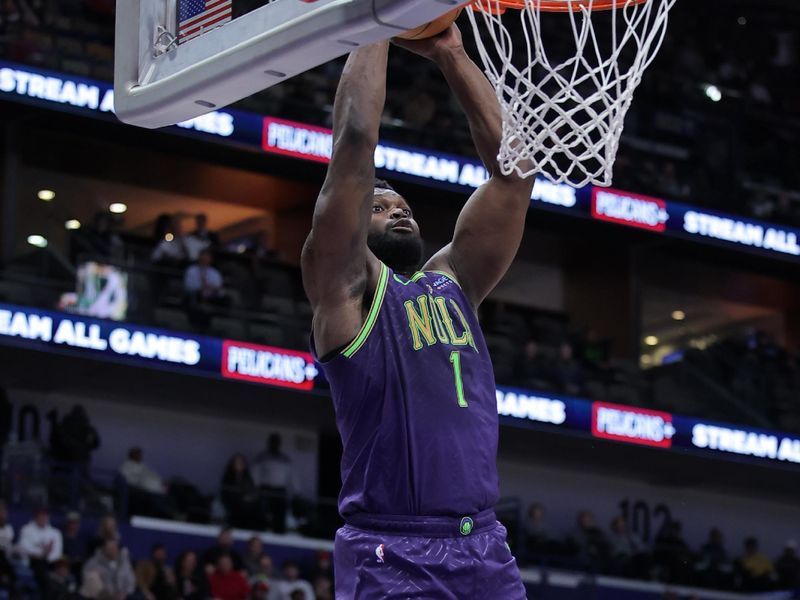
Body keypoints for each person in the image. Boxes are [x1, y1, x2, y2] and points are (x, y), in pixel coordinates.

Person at [300, 26, 534, 599]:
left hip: (483, 544)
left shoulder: (454, 283)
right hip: (391, 551)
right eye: (379, 208)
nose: (398, 212)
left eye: (403, 206)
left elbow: (516, 171)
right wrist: (375, 22)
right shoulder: (346, 291)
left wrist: (450, 51)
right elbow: (355, 143)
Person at [251, 434, 291, 534]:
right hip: (265, 489)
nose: (274, 444)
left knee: (280, 512)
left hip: (279, 490)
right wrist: (256, 487)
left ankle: (279, 532)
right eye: (272, 442)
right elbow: (255, 473)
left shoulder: (284, 459)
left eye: (276, 442)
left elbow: (291, 475)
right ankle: (260, 531)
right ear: (269, 443)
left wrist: (297, 492)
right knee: (262, 511)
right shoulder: (262, 457)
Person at [119, 447, 173, 519]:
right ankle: (168, 515)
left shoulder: (143, 466)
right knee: (156, 501)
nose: (139, 456)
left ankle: (173, 514)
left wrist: (162, 482)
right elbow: (129, 480)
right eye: (137, 454)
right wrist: (141, 482)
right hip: (142, 490)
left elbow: (153, 475)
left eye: (140, 454)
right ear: (131, 454)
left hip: (156, 489)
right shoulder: (126, 466)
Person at [19, 508, 63, 593]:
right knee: (42, 570)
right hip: (33, 562)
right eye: (41, 515)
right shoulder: (27, 530)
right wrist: (42, 552)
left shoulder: (55, 533)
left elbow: (57, 552)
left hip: (51, 563)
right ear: (35, 517)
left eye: (45, 515)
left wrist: (46, 554)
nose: (43, 518)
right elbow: (24, 548)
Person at [220, 455, 264, 531]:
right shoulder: (228, 477)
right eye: (237, 464)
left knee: (255, 507)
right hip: (232, 502)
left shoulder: (247, 477)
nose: (239, 466)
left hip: (245, 504)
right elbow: (225, 492)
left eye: (241, 464)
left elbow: (251, 490)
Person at [62, 512, 90, 580]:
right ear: (67, 524)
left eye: (76, 523)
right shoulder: (62, 538)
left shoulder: (83, 538)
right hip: (67, 564)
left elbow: (85, 554)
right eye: (72, 523)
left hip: (82, 565)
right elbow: (61, 555)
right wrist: (71, 559)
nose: (74, 526)